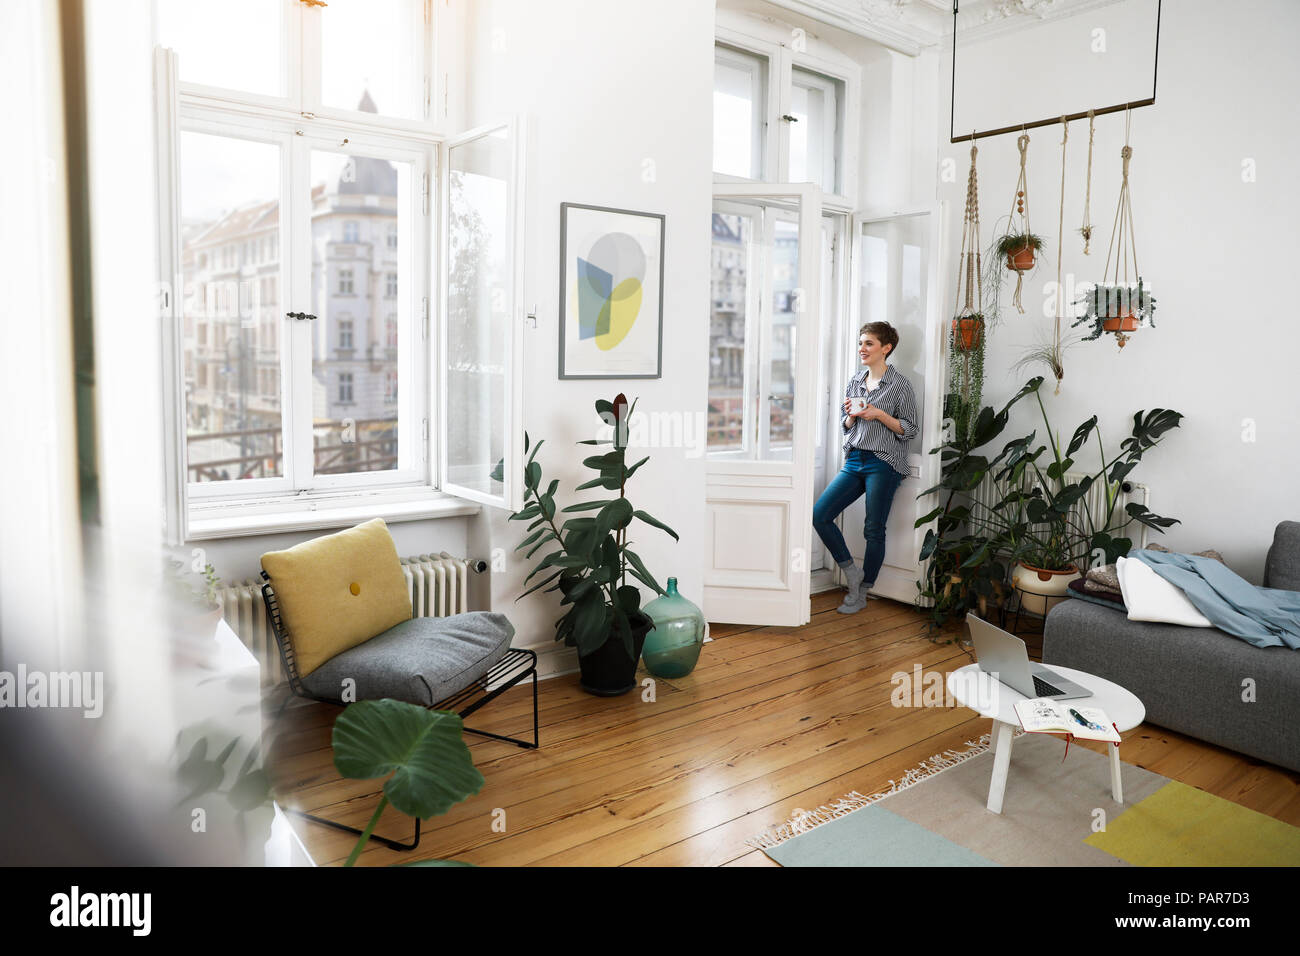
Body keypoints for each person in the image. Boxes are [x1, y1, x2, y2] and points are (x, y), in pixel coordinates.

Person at [813, 321, 919, 614]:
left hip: (884, 462)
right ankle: (852, 574)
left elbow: (910, 430)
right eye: (860, 343)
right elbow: (846, 427)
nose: (862, 349)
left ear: (886, 348)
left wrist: (879, 414)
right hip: (855, 459)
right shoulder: (855, 380)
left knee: (873, 529)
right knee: (820, 515)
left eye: (869, 343)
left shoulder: (901, 385)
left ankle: (862, 591)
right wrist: (851, 417)